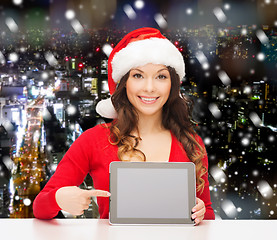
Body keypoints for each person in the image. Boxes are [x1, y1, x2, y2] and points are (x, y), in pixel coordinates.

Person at [33, 27, 215, 224]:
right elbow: (40, 207)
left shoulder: (191, 143)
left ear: (173, 85)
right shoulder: (94, 140)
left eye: (161, 76)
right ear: (124, 83)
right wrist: (59, 198)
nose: (149, 87)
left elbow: (208, 216)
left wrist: (201, 213)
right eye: (138, 75)